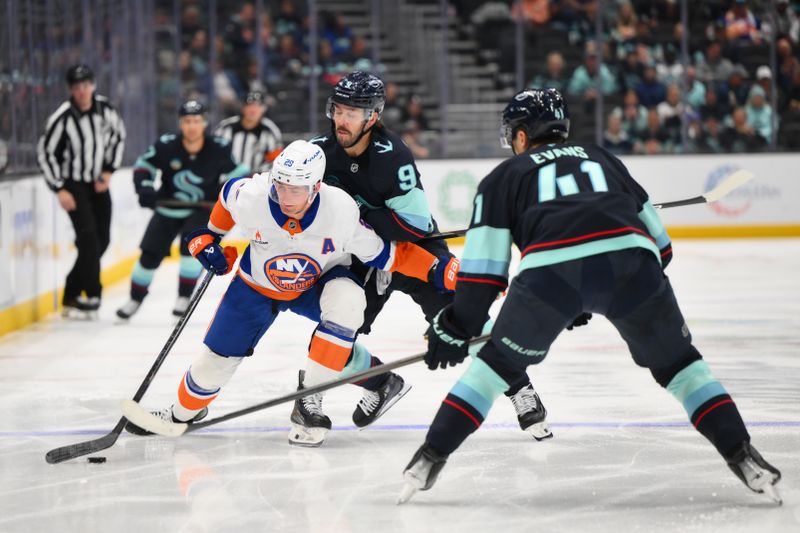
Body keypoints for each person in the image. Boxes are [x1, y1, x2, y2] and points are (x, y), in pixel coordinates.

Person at [398, 88, 782, 505]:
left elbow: (484, 275)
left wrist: (454, 327)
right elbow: (663, 248)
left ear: (523, 136)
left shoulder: (502, 179)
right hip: (633, 269)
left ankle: (428, 459)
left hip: (550, 280)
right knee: (683, 369)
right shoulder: (603, 159)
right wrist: (601, 289)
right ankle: (744, 457)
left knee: (492, 370)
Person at [124, 140, 458, 447]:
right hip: (256, 286)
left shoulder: (339, 210)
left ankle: (309, 402)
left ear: (315, 188)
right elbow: (227, 197)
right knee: (216, 362)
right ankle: (181, 414)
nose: (285, 197)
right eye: (280, 185)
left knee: (348, 304)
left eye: (295, 189)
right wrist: (209, 238)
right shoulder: (254, 195)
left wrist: (437, 269)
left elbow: (388, 255)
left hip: (316, 283)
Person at [309, 71, 553, 440]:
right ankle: (376, 384)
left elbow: (414, 224)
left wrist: (361, 219)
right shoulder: (319, 152)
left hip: (414, 251)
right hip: (362, 258)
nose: (341, 121)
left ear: (372, 117)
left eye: (352, 113)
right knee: (335, 333)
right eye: (338, 110)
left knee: (463, 322)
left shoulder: (392, 155)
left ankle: (521, 390)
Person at [116, 101, 249, 319]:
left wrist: (223, 189)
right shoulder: (166, 145)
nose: (192, 126)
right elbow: (143, 165)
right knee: (149, 254)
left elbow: (240, 172)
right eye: (187, 121)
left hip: (201, 210)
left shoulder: (219, 147)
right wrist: (145, 188)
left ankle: (183, 296)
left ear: (204, 123)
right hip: (168, 208)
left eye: (196, 121)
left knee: (192, 250)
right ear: (181, 123)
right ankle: (135, 299)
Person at [36, 64, 126, 318]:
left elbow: (119, 136)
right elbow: (45, 153)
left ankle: (71, 293)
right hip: (74, 185)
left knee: (103, 239)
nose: (83, 91)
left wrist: (108, 171)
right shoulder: (62, 117)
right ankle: (93, 293)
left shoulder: (105, 109)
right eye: (77, 87)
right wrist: (59, 188)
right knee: (88, 239)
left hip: (99, 181)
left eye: (86, 85)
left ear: (93, 85)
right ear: (71, 90)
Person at [214, 90, 283, 173]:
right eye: (249, 105)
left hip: (256, 181)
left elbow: (276, 160)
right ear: (243, 107)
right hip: (225, 178)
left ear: (264, 109)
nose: (253, 110)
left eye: (258, 106)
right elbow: (213, 153)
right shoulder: (225, 127)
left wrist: (258, 175)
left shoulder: (270, 130)